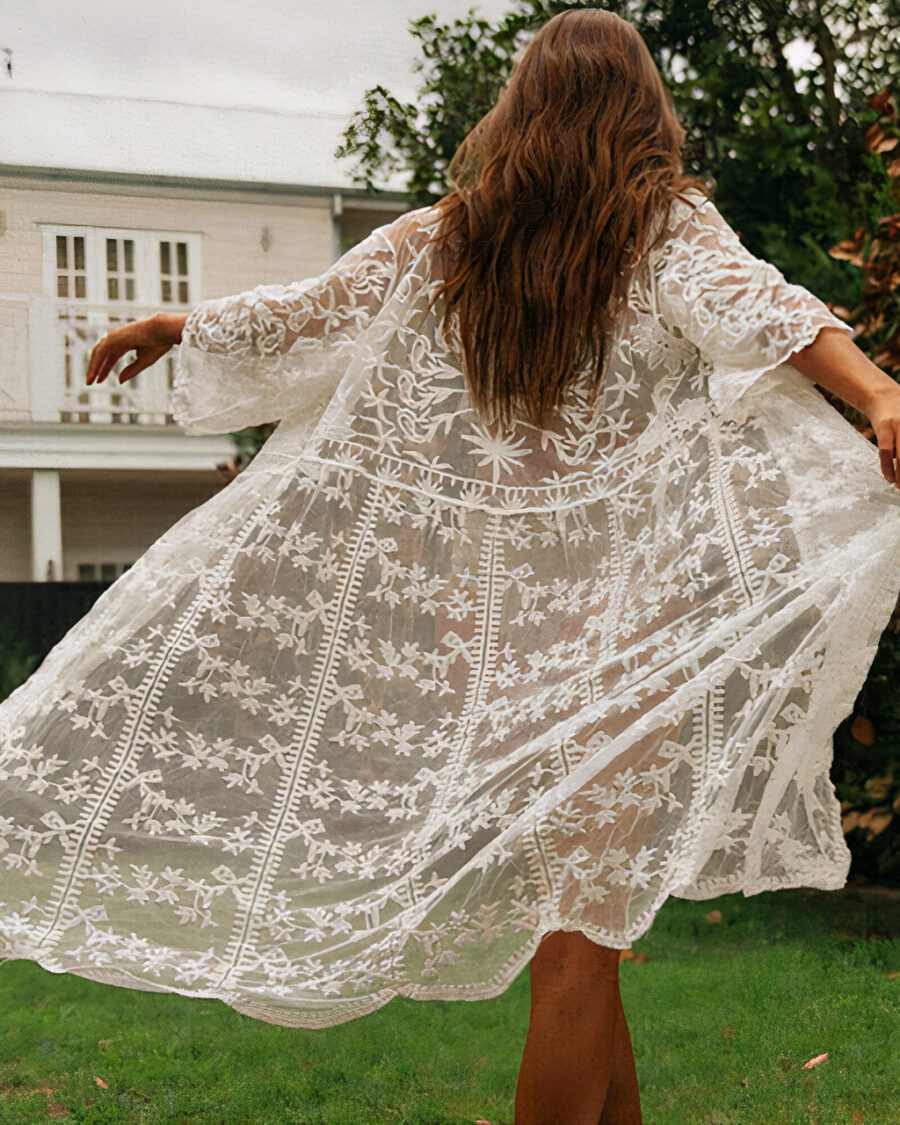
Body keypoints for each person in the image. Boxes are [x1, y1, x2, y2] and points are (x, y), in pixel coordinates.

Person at [2, 9, 900, 1124]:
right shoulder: (656, 228)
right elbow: (770, 316)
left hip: (501, 652)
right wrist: (876, 394)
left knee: (582, 937)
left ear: (520, 106)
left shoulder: (451, 237)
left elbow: (299, 317)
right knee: (578, 945)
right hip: (623, 642)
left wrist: (183, 324)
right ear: (640, 110)